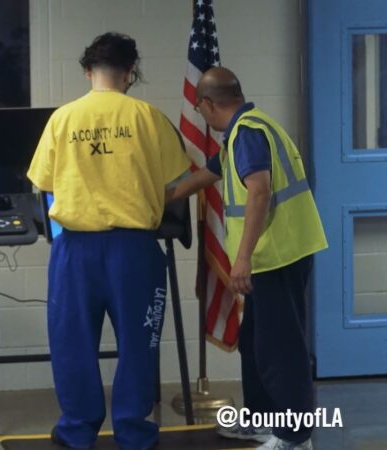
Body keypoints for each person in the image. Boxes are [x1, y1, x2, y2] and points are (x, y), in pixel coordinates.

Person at [27, 32, 191, 450]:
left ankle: (77, 429)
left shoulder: (62, 119)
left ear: (87, 71)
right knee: (139, 343)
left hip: (74, 248)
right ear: (130, 72)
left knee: (72, 343)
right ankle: (133, 431)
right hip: (134, 248)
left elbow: (43, 182)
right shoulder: (148, 117)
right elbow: (176, 180)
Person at [168, 67, 327, 450]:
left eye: (199, 107)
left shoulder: (248, 133)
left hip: (276, 256)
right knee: (255, 342)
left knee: (281, 349)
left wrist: (241, 260)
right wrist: (163, 198)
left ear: (207, 104)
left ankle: (294, 437)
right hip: (274, 255)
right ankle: (261, 419)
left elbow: (258, 192)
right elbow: (210, 172)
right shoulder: (246, 129)